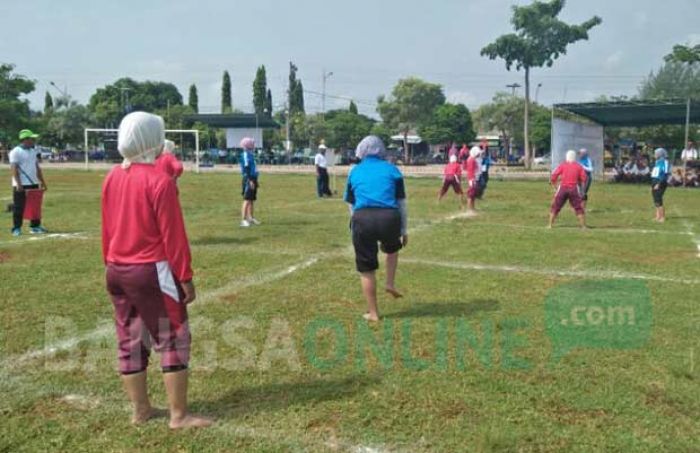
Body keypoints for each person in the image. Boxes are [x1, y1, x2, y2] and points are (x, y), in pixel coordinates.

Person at [101, 111, 211, 429]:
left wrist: (109, 264)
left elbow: (107, 227)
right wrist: (185, 277)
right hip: (151, 270)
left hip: (116, 268)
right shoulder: (159, 181)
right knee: (173, 336)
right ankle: (179, 416)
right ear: (153, 139)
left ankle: (140, 410)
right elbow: (173, 236)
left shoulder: (112, 176)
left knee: (130, 339)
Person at [344, 135, 408, 322]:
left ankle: (373, 313)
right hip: (390, 217)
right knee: (392, 249)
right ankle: (389, 283)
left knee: (367, 269)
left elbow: (350, 202)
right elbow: (401, 203)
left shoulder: (354, 171)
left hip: (362, 217)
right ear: (382, 151)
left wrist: (355, 221)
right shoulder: (393, 170)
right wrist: (403, 230)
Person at [9, 129, 48, 236]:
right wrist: (19, 184)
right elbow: (14, 169)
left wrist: (42, 183)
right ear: (25, 140)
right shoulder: (15, 151)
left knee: (35, 206)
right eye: (32, 138)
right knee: (19, 207)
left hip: (34, 183)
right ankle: (16, 228)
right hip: (21, 185)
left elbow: (37, 168)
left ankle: (35, 226)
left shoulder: (33, 151)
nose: (34, 140)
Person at [549, 150, 587, 229]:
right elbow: (584, 178)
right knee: (578, 207)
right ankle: (583, 226)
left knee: (556, 206)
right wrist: (582, 190)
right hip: (574, 189)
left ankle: (550, 225)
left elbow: (553, 176)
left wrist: (555, 186)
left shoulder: (562, 165)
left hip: (563, 188)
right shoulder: (579, 166)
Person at [239, 137, 261, 227]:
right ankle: (243, 220)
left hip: (253, 178)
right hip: (249, 179)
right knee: (247, 199)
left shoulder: (251, 154)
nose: (253, 145)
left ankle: (251, 218)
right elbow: (247, 168)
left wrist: (255, 180)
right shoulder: (245, 155)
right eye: (252, 144)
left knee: (251, 199)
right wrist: (250, 180)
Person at [651, 147, 670, 223]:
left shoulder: (665, 162)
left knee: (659, 199)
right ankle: (657, 216)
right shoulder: (657, 162)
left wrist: (659, 184)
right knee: (655, 199)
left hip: (660, 182)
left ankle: (662, 217)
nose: (655, 155)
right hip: (654, 181)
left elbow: (665, 174)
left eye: (656, 153)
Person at [464, 146, 481, 213]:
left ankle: (472, 208)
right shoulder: (471, 160)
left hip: (473, 178)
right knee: (470, 194)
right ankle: (469, 209)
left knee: (473, 194)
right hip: (472, 178)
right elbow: (471, 171)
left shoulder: (472, 159)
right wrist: (473, 179)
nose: (479, 155)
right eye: (478, 153)